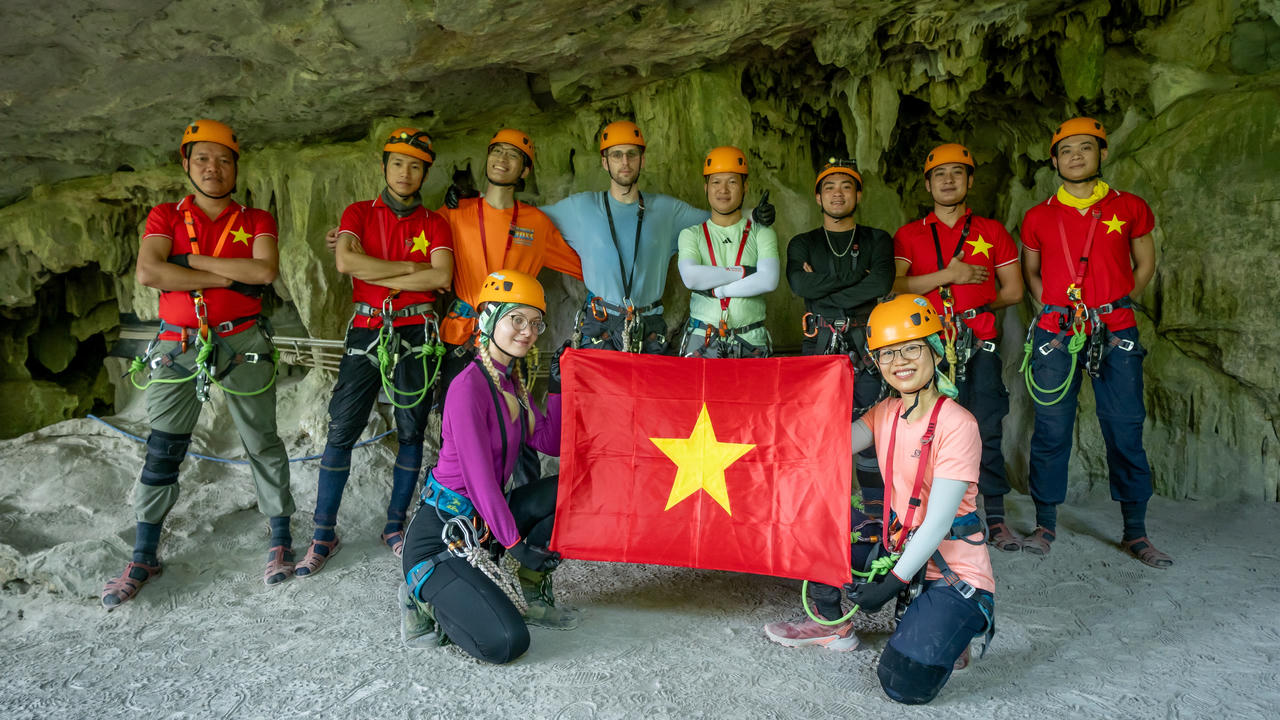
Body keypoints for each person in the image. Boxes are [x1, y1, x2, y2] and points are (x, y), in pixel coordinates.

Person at [764, 294, 994, 706]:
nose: (899, 362)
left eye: (911, 349)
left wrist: (890, 585)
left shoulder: (958, 425)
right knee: (817, 518)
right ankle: (833, 624)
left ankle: (958, 621)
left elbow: (938, 522)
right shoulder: (885, 411)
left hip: (950, 567)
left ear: (935, 350)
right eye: (887, 353)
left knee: (903, 684)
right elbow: (829, 447)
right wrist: (774, 420)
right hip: (897, 544)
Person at [102, 119, 295, 608]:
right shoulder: (166, 215)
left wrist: (188, 263)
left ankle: (280, 539)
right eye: (203, 158)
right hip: (178, 342)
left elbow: (263, 271)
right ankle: (144, 554)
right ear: (186, 163)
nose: (214, 168)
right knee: (164, 448)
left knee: (262, 440)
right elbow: (150, 271)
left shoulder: (256, 219)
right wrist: (228, 278)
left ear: (236, 167)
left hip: (243, 339)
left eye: (224, 160)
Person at [294, 128, 455, 576]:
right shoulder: (359, 212)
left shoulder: (435, 223)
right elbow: (346, 262)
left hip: (417, 330)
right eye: (398, 163)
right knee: (342, 427)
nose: (406, 173)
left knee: (412, 429)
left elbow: (440, 277)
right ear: (384, 167)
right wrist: (408, 268)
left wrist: (377, 272)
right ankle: (323, 533)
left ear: (425, 173)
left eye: (416, 166)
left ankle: (394, 526)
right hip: (367, 328)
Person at [399, 269, 578, 664]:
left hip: (481, 527)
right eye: (517, 319)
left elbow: (549, 442)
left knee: (573, 489)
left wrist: (558, 386)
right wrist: (517, 547)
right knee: (507, 643)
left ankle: (530, 592)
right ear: (488, 319)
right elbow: (480, 483)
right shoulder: (467, 388)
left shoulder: (511, 382)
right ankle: (421, 599)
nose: (528, 332)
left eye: (535, 323)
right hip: (442, 537)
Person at [1019, 117, 1167, 566]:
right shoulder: (1038, 216)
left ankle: (1135, 532)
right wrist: (1056, 309)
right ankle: (1045, 524)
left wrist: (1113, 304)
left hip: (1115, 329)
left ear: (1102, 153)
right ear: (1054, 161)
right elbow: (1031, 272)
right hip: (1057, 332)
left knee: (1124, 426)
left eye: (1085, 147)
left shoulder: (1130, 207)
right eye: (1066, 150)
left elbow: (1145, 263)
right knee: (1051, 428)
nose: (1076, 156)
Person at [540, 120, 774, 354]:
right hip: (600, 325)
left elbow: (716, 218)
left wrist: (753, 214)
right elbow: (530, 220)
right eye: (616, 155)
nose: (625, 162)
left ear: (642, 160)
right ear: (604, 162)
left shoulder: (667, 211)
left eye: (632, 154)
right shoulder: (581, 208)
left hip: (648, 327)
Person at [892, 143, 1024, 550]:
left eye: (957, 173)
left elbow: (1014, 291)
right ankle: (928, 516)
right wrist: (949, 277)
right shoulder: (910, 235)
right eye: (940, 174)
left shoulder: (992, 232)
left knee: (985, 427)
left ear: (970, 180)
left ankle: (995, 517)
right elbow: (896, 286)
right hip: (928, 347)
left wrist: (973, 308)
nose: (948, 181)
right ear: (928, 184)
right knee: (925, 430)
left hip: (978, 343)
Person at [435, 128, 583, 395]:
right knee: (455, 414)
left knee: (510, 416)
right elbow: (413, 239)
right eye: (497, 151)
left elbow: (584, 267)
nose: (502, 159)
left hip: (511, 337)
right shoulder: (455, 212)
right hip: (462, 335)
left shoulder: (537, 223)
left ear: (524, 171)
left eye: (513, 155)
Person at [786, 160, 895, 516]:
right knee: (817, 428)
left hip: (866, 345)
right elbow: (799, 285)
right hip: (820, 343)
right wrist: (859, 277)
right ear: (818, 197)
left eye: (846, 186)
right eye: (829, 187)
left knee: (871, 426)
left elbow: (881, 283)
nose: (838, 193)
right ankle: (824, 512)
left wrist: (822, 288)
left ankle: (874, 515)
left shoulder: (877, 239)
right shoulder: (803, 243)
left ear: (858, 195)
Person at [675, 146, 779, 357]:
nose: (723, 190)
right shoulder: (691, 234)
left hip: (750, 340)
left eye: (732, 182)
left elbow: (768, 280)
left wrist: (719, 291)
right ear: (706, 188)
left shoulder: (762, 232)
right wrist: (744, 272)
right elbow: (691, 278)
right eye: (716, 182)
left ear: (745, 187)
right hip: (703, 339)